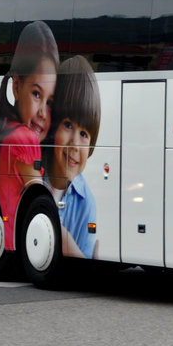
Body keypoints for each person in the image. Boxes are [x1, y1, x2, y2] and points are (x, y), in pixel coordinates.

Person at [0, 21, 58, 251]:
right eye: (36, 94)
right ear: (16, 86)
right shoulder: (24, 138)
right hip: (16, 241)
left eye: (49, 102)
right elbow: (45, 201)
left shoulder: (6, 127)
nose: (42, 113)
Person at [42, 55, 100, 260]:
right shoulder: (32, 176)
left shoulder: (87, 203)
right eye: (68, 125)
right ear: (52, 125)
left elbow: (84, 262)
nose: (75, 144)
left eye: (84, 134)